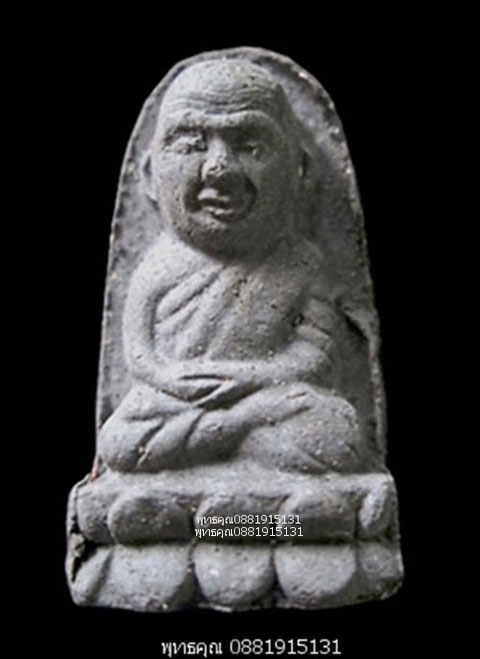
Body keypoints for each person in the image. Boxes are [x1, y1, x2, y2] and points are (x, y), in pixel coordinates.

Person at [98, 59, 366, 475]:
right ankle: (240, 443)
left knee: (335, 431)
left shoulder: (301, 262)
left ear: (301, 170)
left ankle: (223, 446)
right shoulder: (158, 266)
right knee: (120, 439)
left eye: (251, 147)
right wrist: (171, 382)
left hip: (265, 397)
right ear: (150, 175)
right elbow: (139, 354)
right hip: (179, 401)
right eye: (191, 145)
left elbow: (316, 353)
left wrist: (252, 378)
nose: (219, 170)